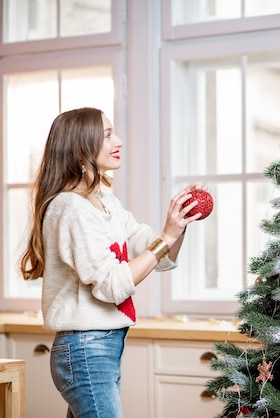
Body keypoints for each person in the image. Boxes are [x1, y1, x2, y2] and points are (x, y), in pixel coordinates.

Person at [19, 107, 205, 418]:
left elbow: (156, 253)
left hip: (101, 346)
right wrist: (166, 238)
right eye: (107, 135)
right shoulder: (71, 208)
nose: (117, 140)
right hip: (85, 349)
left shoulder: (104, 200)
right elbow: (112, 285)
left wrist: (178, 223)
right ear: (82, 148)